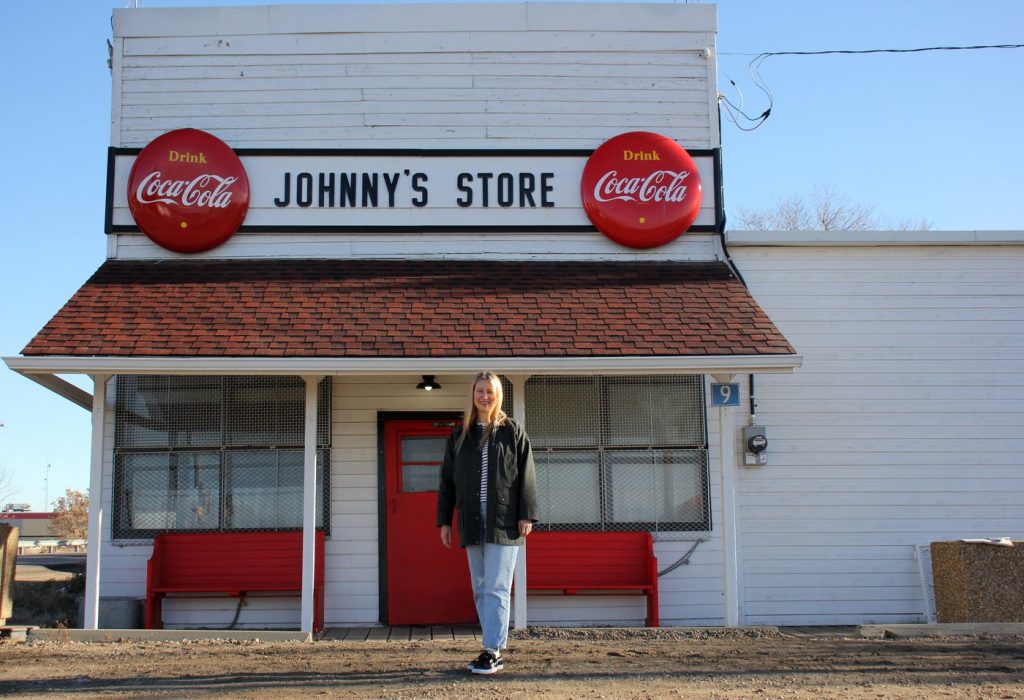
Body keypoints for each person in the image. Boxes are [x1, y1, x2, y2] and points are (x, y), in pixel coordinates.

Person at [437, 371, 539, 675]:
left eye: (490, 391)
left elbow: (527, 475)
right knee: (481, 587)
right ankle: (490, 645)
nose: (484, 396)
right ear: (472, 395)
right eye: (479, 391)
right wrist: (444, 521)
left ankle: (492, 650)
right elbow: (447, 483)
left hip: (504, 521)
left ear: (498, 396)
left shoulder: (513, 432)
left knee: (496, 586)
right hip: (471, 520)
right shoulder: (459, 436)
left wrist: (526, 514)